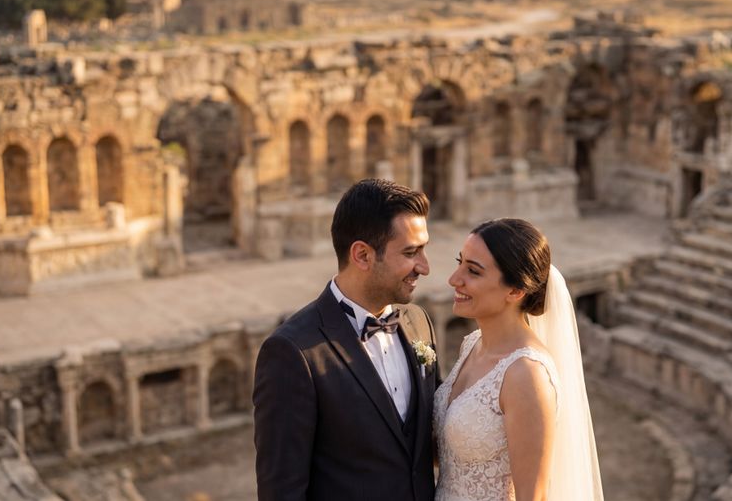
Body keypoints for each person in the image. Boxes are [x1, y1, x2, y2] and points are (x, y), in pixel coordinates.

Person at [253, 179, 439, 501]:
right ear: (363, 255)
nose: (424, 267)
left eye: (423, 250)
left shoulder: (418, 322)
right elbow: (282, 491)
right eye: (411, 252)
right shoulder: (292, 352)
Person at [435, 218, 604, 501]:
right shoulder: (472, 344)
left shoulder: (527, 374)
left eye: (473, 271)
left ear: (515, 291)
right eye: (459, 262)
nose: (454, 279)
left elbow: (533, 496)